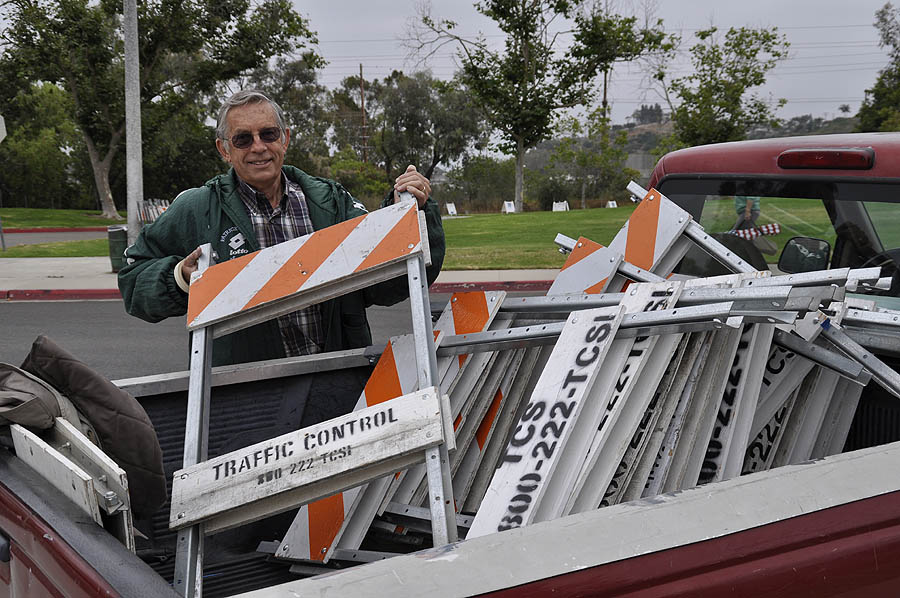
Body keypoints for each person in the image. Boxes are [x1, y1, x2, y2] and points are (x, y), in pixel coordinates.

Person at [118, 89, 444, 367]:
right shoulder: (197, 208)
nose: (258, 146)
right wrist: (182, 279)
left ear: (285, 139)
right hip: (248, 395)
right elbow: (134, 281)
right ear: (224, 150)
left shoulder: (330, 202)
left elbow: (388, 283)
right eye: (243, 139)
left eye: (268, 134)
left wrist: (410, 213)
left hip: (340, 379)